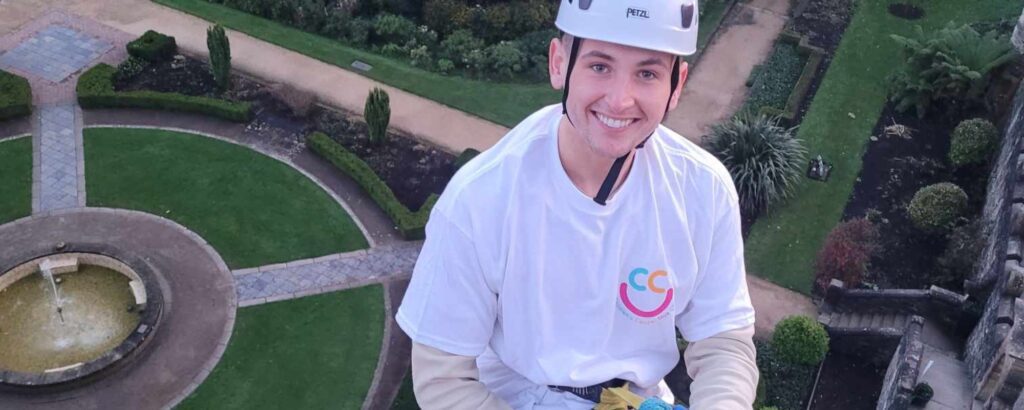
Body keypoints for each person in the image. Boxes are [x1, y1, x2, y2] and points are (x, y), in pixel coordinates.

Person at [396, 0, 758, 408]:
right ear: (559, 64)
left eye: (647, 73)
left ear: (676, 86)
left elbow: (722, 341)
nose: (620, 101)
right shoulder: (480, 201)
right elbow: (443, 380)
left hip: (639, 399)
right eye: (600, 66)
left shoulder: (703, 190)